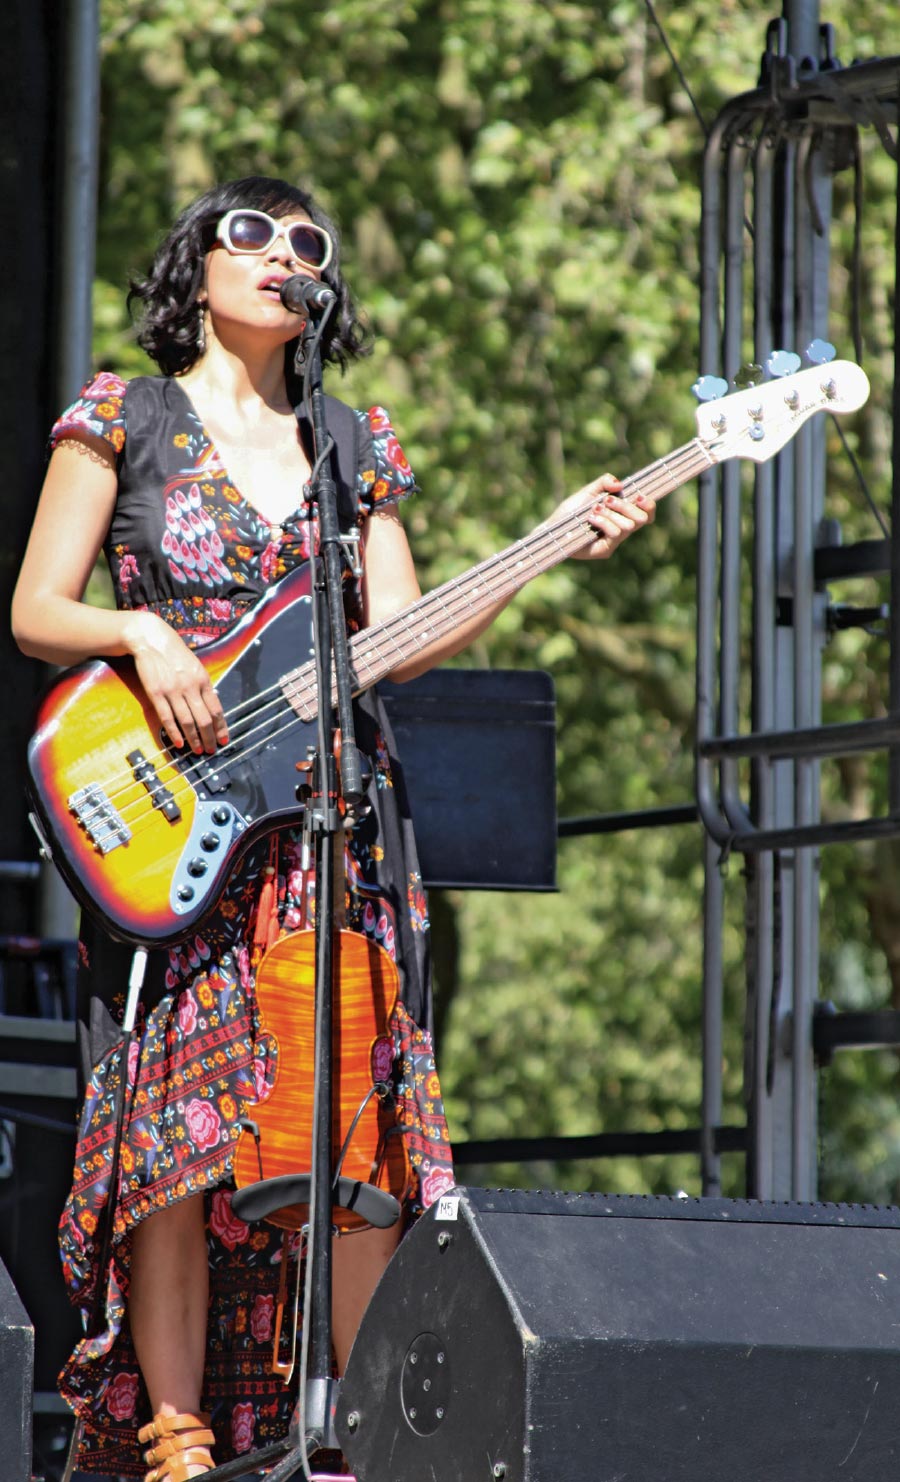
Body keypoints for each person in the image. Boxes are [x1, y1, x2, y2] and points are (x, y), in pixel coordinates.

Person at [11, 175, 654, 1481]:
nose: (282, 254)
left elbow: (395, 644)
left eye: (309, 240)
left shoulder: (349, 440)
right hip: (173, 823)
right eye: (251, 232)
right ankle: (177, 1433)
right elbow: (34, 606)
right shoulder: (119, 417)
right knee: (177, 1139)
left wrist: (544, 546)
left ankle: (348, 1435)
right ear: (195, 264)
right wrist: (140, 631)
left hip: (325, 833)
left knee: (345, 1134)